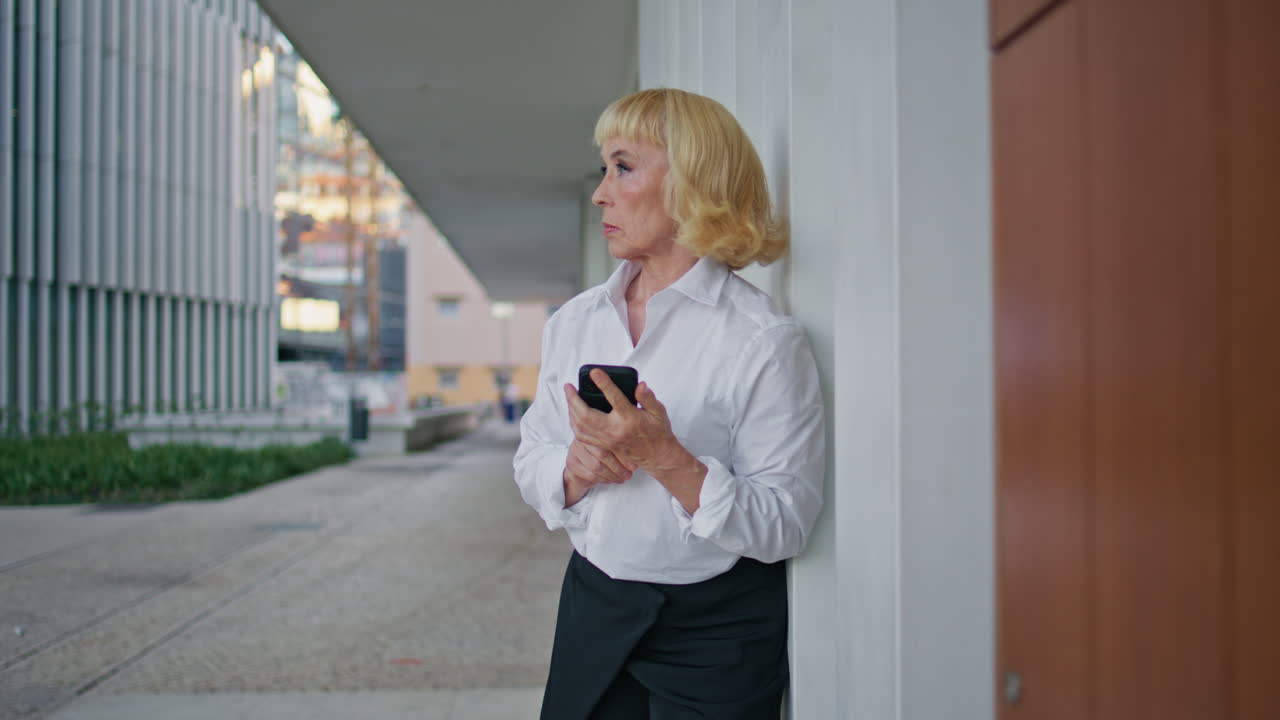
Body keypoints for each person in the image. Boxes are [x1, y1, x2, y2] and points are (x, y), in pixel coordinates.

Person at [513, 88, 825, 719]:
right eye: (603, 169)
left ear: (692, 183)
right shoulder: (573, 324)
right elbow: (531, 457)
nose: (600, 192)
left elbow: (786, 523)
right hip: (593, 610)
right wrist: (575, 468)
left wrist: (665, 457)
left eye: (622, 167)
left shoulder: (762, 340)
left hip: (719, 635)